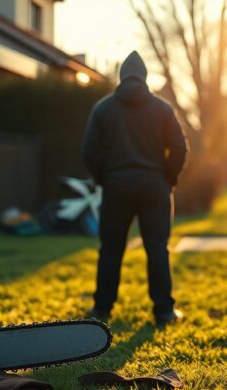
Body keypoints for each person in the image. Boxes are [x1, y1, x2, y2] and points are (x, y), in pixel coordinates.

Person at [81, 51, 188, 325]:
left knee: (111, 249)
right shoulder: (162, 109)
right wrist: (168, 178)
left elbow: (89, 152)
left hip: (117, 186)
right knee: (157, 248)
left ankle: (102, 309)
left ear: (121, 76)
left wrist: (106, 177)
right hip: (155, 186)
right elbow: (179, 148)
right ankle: (164, 311)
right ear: (144, 76)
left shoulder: (103, 108)